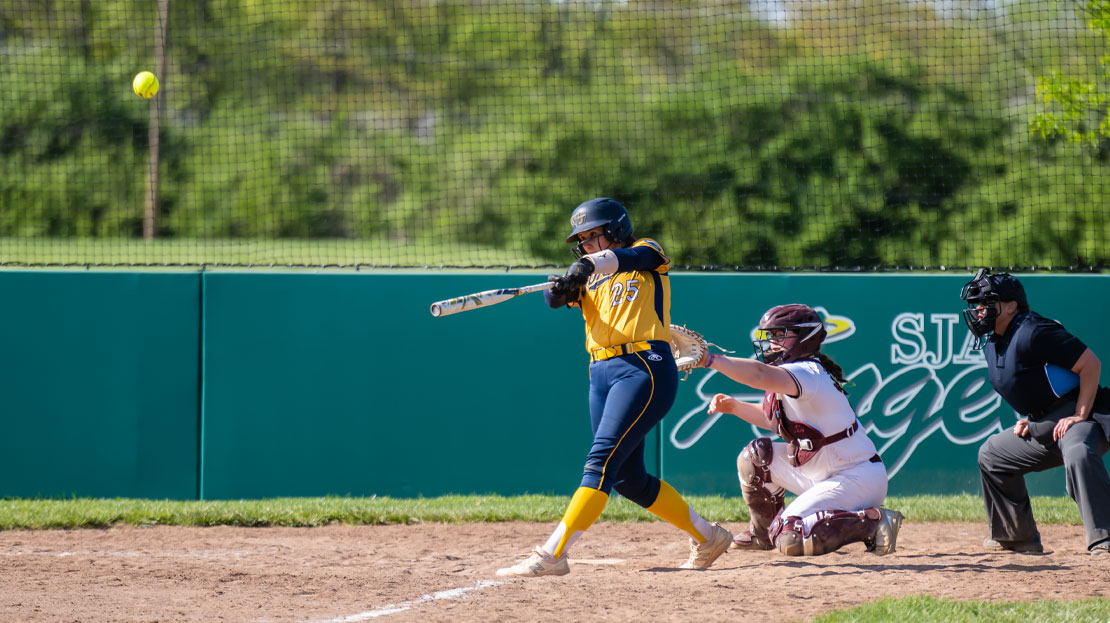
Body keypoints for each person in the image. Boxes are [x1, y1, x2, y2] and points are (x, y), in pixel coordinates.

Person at [495, 197, 733, 577]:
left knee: (600, 462)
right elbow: (554, 300)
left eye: (594, 235)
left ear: (617, 229)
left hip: (642, 368)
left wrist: (584, 266)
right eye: (582, 240)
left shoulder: (647, 252)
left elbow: (627, 260)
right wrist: (562, 286)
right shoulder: (588, 275)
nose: (588, 244)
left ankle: (553, 554)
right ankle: (709, 537)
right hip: (602, 373)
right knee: (628, 479)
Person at [696, 303, 903, 557]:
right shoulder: (798, 372)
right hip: (822, 474)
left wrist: (711, 360)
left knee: (790, 537)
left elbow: (759, 374)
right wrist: (735, 407)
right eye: (771, 335)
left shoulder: (808, 371)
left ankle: (874, 522)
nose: (772, 342)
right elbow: (776, 421)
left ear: (805, 337)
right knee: (755, 458)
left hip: (856, 478)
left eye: (781, 334)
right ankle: (762, 536)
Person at [961, 268, 1110, 555]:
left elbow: (1090, 364)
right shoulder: (993, 340)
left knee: (1079, 452)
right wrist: (1032, 418)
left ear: (1011, 306)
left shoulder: (1033, 330)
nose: (978, 310)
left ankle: (1104, 539)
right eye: (975, 304)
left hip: (1079, 418)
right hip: (1043, 425)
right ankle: (1018, 537)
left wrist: (1079, 414)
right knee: (992, 456)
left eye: (985, 302)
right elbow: (1033, 382)